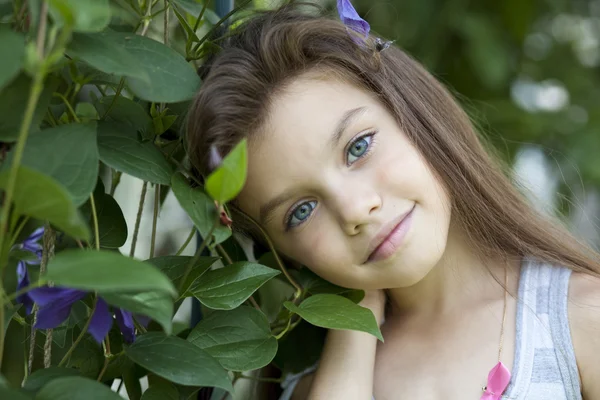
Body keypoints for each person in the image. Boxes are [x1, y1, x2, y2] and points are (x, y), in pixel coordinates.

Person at [185, 2, 600, 399]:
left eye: (358, 147)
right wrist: (354, 328)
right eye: (302, 211)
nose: (354, 211)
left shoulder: (581, 319)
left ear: (412, 112)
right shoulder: (314, 387)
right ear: (283, 257)